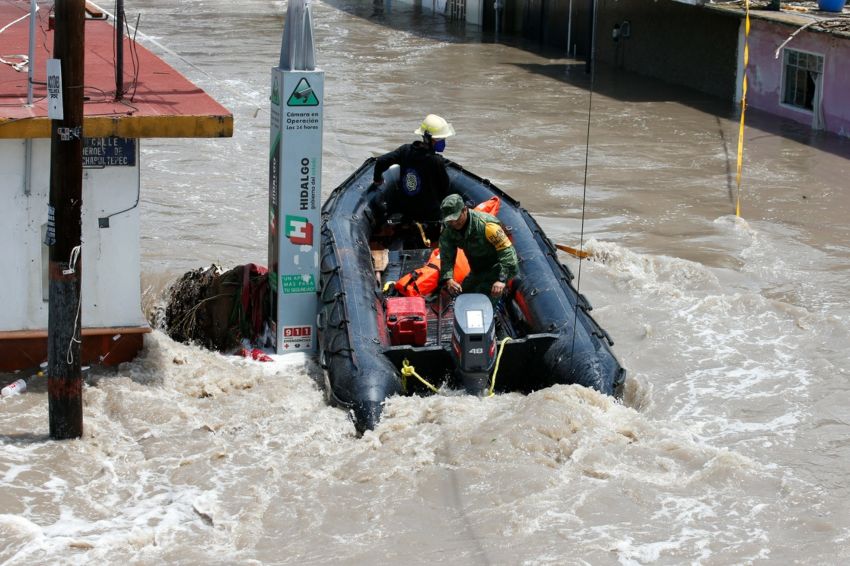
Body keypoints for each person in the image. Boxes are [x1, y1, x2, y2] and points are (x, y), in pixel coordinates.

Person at [371, 114, 455, 223]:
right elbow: (444, 187)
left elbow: (381, 161)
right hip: (429, 216)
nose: (443, 142)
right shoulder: (436, 161)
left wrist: (378, 179)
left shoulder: (405, 150)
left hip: (406, 212)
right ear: (429, 138)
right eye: (440, 139)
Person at [438, 194, 518, 301]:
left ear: (464, 210)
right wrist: (449, 279)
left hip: (498, 269)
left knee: (486, 302)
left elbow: (507, 253)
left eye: (456, 218)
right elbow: (446, 256)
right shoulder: (449, 230)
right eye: (450, 220)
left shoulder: (487, 225)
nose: (454, 223)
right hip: (477, 270)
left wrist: (501, 280)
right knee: (462, 297)